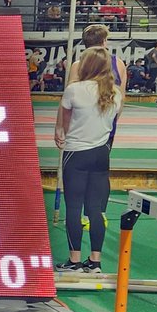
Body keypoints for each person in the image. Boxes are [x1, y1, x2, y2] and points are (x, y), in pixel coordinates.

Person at [54, 47, 123, 273]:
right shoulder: (116, 93)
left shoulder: (73, 91)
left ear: (85, 65)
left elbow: (65, 125)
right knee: (96, 209)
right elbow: (113, 123)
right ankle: (95, 261)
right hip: (101, 155)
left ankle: (74, 260)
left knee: (74, 208)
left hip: (76, 154)